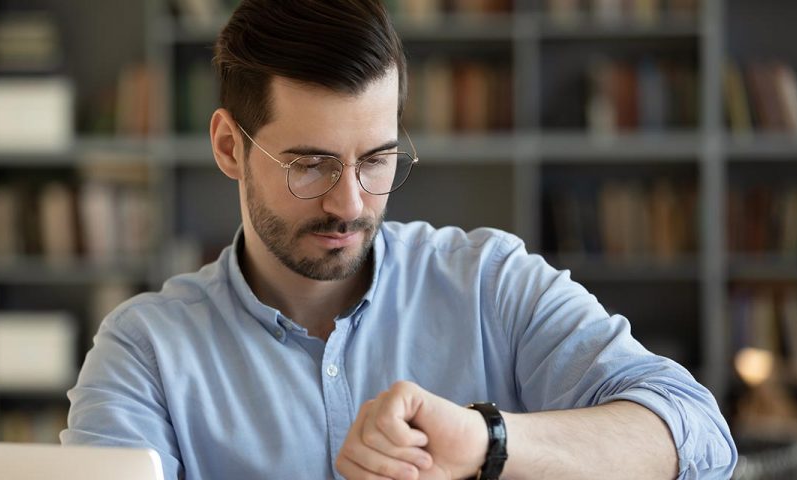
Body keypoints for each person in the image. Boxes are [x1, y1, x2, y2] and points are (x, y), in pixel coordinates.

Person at [61, 1, 737, 478]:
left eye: (377, 159)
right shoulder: (144, 351)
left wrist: (487, 440)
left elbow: (699, 438)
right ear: (228, 147)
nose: (350, 203)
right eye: (311, 164)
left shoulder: (489, 283)